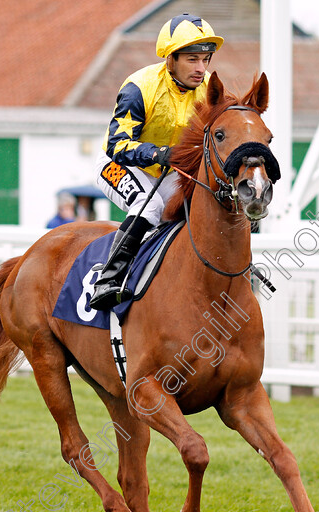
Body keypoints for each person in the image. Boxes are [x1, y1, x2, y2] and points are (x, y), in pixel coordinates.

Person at [89, 13, 223, 310]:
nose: (201, 69)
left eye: (206, 60)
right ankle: (108, 279)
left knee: (204, 206)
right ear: (170, 58)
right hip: (119, 163)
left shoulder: (210, 89)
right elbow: (117, 144)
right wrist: (158, 154)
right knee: (149, 207)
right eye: (192, 59)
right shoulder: (139, 86)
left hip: (167, 170)